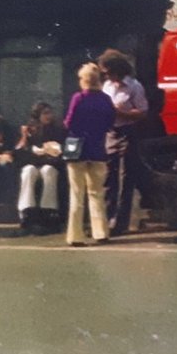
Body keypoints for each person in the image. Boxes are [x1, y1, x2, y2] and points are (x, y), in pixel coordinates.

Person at [63, 62, 116, 245]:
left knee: (77, 194)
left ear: (83, 80)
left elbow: (69, 123)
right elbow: (110, 123)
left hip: (77, 150)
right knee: (97, 193)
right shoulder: (106, 99)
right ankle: (101, 232)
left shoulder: (78, 98)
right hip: (98, 149)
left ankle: (75, 235)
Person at [98, 49, 149, 236]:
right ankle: (105, 217)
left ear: (117, 69)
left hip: (128, 131)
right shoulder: (107, 87)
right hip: (111, 132)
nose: (106, 75)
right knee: (108, 176)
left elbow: (142, 112)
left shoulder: (134, 87)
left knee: (125, 176)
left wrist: (122, 113)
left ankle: (119, 222)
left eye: (108, 71)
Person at [14, 102, 66, 230]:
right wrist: (25, 136)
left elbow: (60, 150)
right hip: (32, 162)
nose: (49, 116)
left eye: (50, 113)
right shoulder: (30, 130)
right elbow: (20, 149)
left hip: (49, 162)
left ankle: (49, 210)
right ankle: (26, 210)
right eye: (45, 113)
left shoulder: (57, 129)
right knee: (28, 171)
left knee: (49, 171)